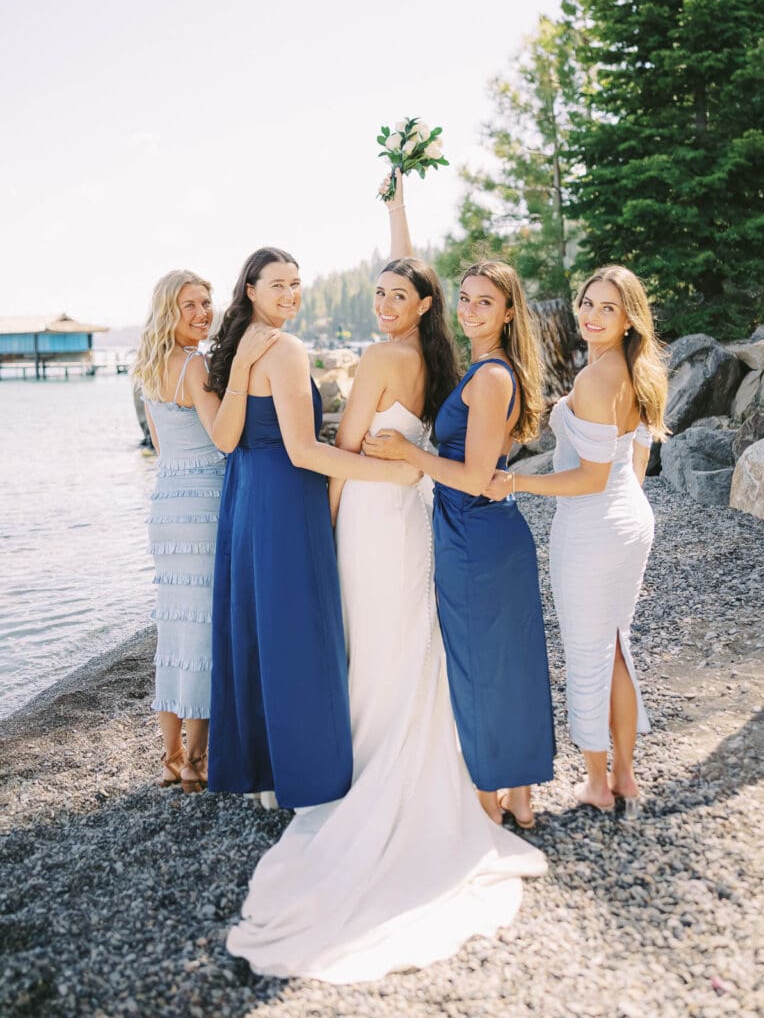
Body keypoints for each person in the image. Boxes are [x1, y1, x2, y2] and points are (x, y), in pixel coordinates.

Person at [225, 176, 547, 984]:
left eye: (395, 293)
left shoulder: (377, 358)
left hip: (371, 517)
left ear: (419, 304)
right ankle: (415, 765)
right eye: (375, 293)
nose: (380, 303)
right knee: (409, 641)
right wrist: (398, 213)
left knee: (368, 643)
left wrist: (324, 526)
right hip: (415, 521)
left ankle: (365, 772)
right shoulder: (434, 362)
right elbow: (408, 440)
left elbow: (351, 454)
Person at [204, 246, 419, 806]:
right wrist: (390, 473)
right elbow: (303, 451)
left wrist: (243, 367)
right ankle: (309, 775)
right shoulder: (286, 348)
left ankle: (268, 776)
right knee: (299, 630)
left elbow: (225, 442)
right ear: (249, 289)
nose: (290, 295)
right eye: (277, 284)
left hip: (246, 497)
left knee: (261, 626)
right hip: (283, 498)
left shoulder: (242, 347)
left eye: (296, 284)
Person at [365, 248, 556, 827]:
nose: (471, 310)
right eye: (466, 299)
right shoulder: (484, 370)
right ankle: (518, 796)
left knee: (478, 666)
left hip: (474, 534)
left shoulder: (493, 376)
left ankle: (488, 802)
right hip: (480, 532)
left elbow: (474, 477)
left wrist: (410, 453)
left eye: (485, 303)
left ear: (506, 313)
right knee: (509, 663)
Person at [485, 265, 668, 817]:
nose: (590, 315)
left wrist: (515, 481)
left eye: (607, 308)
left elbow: (589, 477)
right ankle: (626, 776)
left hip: (593, 527)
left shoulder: (597, 378)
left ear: (628, 317)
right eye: (587, 303)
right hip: (628, 517)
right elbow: (634, 459)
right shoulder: (636, 370)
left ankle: (596, 781)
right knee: (614, 645)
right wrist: (619, 512)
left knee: (588, 653)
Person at [132, 269, 276, 792]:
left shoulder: (146, 368)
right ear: (169, 310)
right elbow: (222, 437)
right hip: (201, 507)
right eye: (190, 305)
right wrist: (240, 375)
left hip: (167, 506)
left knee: (175, 629)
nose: (202, 314)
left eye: (206, 303)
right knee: (203, 632)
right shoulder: (194, 365)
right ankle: (195, 758)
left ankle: (172, 757)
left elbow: (160, 444)